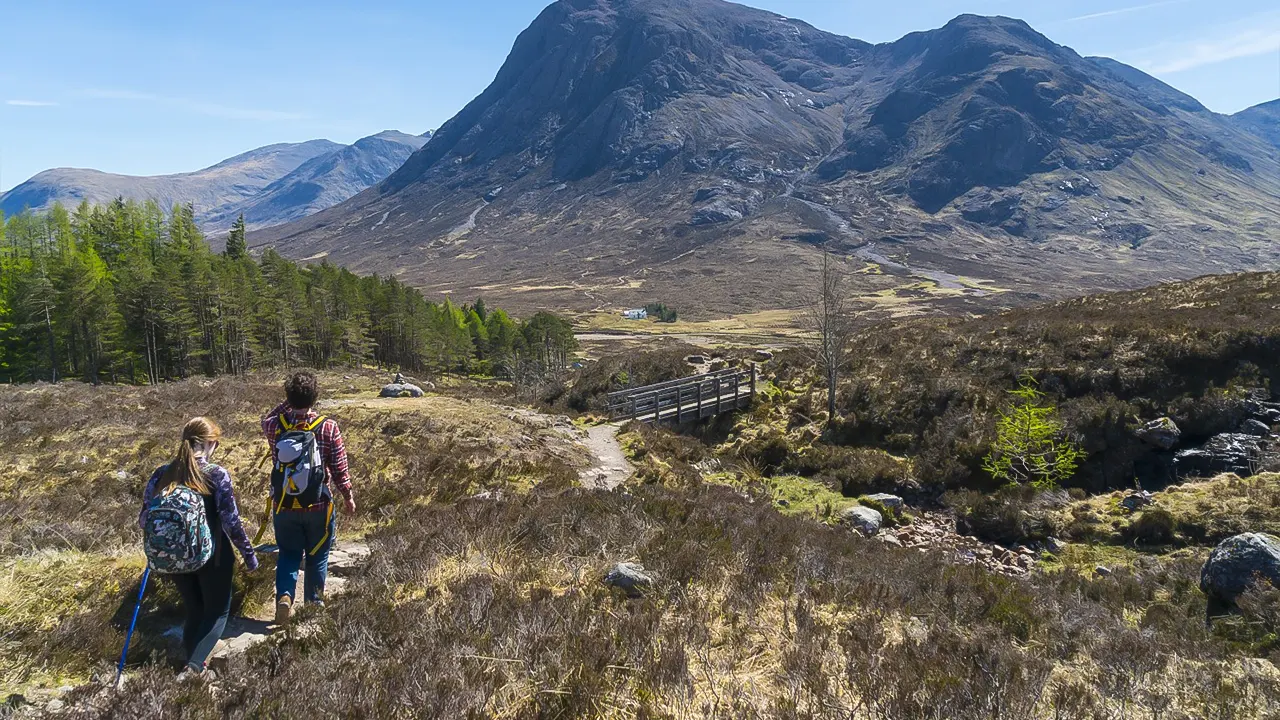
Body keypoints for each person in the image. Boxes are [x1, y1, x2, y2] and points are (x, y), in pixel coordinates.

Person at [139, 417, 258, 675]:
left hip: (172, 555)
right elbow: (231, 522)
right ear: (210, 443)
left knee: (194, 609)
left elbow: (144, 518)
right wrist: (249, 556)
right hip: (213, 556)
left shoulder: (162, 473)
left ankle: (191, 661)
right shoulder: (216, 474)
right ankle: (193, 668)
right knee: (217, 612)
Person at [262, 371, 355, 624]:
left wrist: (288, 402)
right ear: (316, 398)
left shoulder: (274, 425)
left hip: (284, 504)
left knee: (289, 552)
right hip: (318, 503)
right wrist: (348, 496)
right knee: (318, 556)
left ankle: (284, 596)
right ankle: (313, 609)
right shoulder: (328, 427)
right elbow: (339, 468)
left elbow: (266, 417)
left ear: (288, 398)